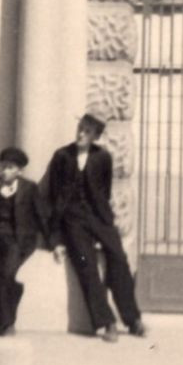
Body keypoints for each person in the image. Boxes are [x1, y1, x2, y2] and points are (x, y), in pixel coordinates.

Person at [43, 113, 146, 343]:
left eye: (87, 132)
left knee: (119, 258)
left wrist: (105, 223)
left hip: (98, 218)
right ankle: (106, 322)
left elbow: (104, 192)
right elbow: (52, 199)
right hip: (72, 220)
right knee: (85, 264)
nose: (81, 134)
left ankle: (132, 319)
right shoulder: (62, 157)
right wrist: (56, 239)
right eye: (80, 128)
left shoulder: (103, 158)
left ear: (96, 136)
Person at [0, 146, 48, 337]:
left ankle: (7, 323)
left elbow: (41, 216)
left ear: (20, 171)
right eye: (3, 166)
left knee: (7, 273)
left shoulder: (29, 188)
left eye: (11, 167)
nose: (5, 171)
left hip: (16, 239)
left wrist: (53, 242)